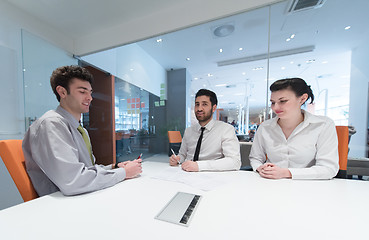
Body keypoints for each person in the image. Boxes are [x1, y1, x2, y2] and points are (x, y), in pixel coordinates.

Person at [23, 65, 142, 196]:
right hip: (62, 204)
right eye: (82, 91)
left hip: (83, 196)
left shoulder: (80, 130)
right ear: (62, 92)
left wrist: (116, 167)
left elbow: (86, 170)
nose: (90, 98)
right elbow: (73, 181)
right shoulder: (51, 124)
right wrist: (124, 173)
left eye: (90, 92)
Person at [249, 78, 339, 180]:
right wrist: (260, 168)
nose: (275, 107)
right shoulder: (265, 127)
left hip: (309, 186)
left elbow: (328, 168)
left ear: (302, 99)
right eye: (273, 102)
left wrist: (286, 173)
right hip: (271, 184)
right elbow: (256, 158)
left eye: (283, 101)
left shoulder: (323, 125)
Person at [169, 89, 241, 172]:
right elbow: (182, 155)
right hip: (185, 174)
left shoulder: (226, 129)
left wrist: (199, 166)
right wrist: (177, 159)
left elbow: (234, 162)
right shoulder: (188, 131)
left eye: (204, 104)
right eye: (197, 104)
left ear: (213, 108)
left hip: (211, 177)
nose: (199, 108)